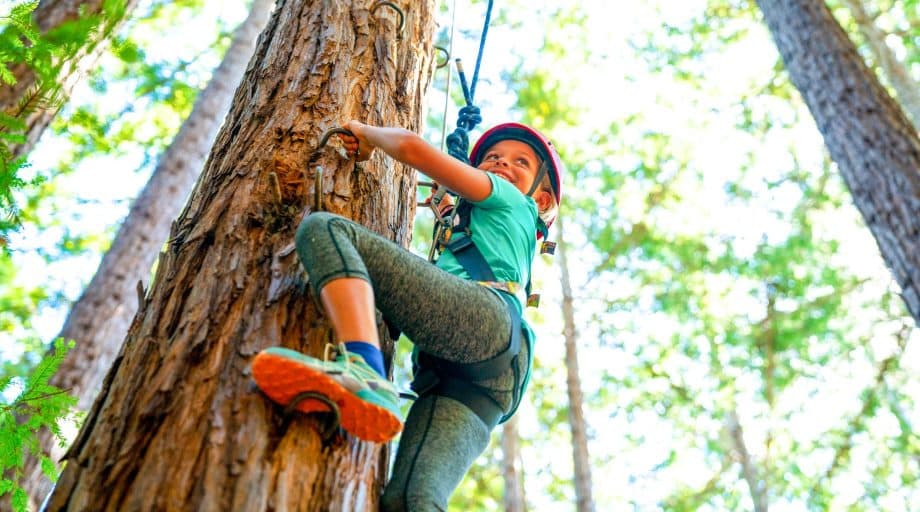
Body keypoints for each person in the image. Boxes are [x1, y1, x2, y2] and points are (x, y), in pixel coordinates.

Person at [252, 119, 564, 510]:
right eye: (492, 157)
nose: (502, 164)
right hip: (488, 380)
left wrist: (367, 135)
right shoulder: (495, 226)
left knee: (326, 229)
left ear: (542, 200)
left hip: (482, 321)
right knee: (411, 500)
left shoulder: (509, 198)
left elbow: (410, 148)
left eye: (521, 162)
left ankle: (364, 370)